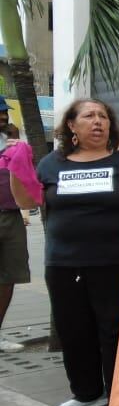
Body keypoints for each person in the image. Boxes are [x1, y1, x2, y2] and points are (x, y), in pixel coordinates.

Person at [36, 99, 119, 406]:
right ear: (71, 126)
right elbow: (37, 200)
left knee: (114, 328)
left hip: (115, 259)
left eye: (103, 116)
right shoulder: (52, 163)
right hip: (63, 262)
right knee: (73, 328)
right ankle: (87, 393)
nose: (98, 121)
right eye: (89, 116)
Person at [0, 127, 43, 353]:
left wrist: (19, 151)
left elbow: (29, 176)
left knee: (9, 277)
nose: (3, 120)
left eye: (4, 115)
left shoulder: (14, 142)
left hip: (12, 216)